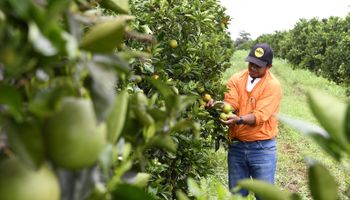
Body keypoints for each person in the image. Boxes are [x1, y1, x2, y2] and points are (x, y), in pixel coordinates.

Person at [206, 43, 282, 199]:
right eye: (251, 63)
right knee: (236, 195)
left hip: (262, 149)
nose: (253, 68)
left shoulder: (272, 86)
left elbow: (259, 116)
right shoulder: (236, 79)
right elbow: (230, 104)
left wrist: (238, 119)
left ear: (269, 66)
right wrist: (216, 105)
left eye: (258, 65)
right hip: (237, 147)